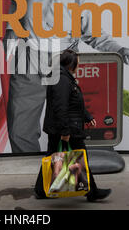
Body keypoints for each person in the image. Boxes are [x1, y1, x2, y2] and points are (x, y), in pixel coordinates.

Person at [4, 0, 129, 153]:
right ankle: (30, 179)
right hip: (28, 58)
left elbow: (95, 34)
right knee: (20, 130)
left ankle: (66, 181)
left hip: (63, 62)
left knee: (66, 128)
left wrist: (121, 50)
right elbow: (15, 5)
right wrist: (10, 33)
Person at [34, 49, 111, 202]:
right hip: (68, 128)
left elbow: (74, 103)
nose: (79, 66)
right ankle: (92, 192)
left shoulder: (63, 77)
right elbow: (61, 107)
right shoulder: (62, 79)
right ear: (71, 64)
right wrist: (65, 131)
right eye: (78, 63)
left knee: (52, 156)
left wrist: (87, 116)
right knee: (81, 157)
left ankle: (40, 190)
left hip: (62, 126)